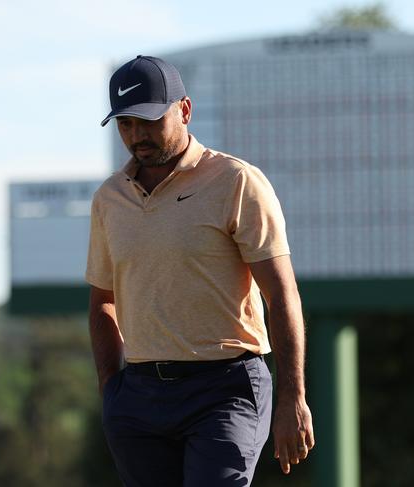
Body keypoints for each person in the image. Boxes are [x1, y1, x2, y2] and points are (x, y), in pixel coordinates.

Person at [86, 54, 314, 487]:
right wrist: (111, 393)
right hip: (138, 394)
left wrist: (293, 397)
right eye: (126, 124)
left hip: (225, 387)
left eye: (150, 121)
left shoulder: (236, 181)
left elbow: (281, 296)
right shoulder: (108, 199)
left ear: (185, 110)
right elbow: (103, 302)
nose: (138, 136)